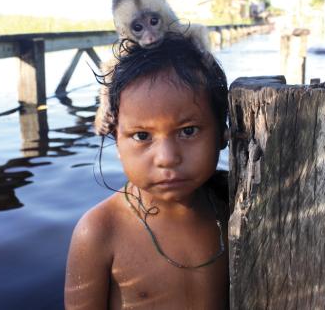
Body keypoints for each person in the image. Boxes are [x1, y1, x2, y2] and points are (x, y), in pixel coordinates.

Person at [64, 35, 229, 309]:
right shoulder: (99, 232)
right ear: (116, 140)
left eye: (188, 131)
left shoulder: (233, 208)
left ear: (223, 135)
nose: (166, 158)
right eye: (142, 135)